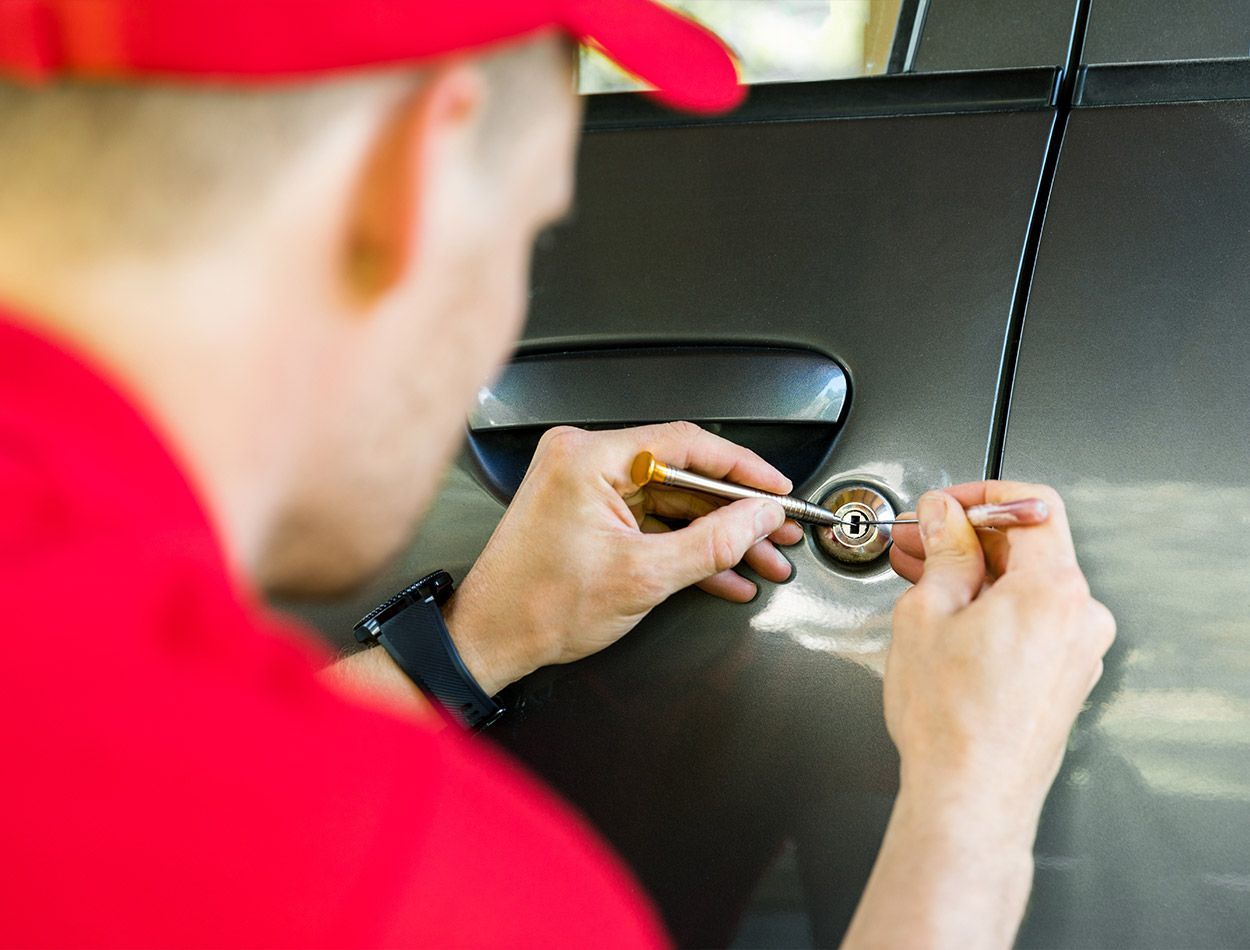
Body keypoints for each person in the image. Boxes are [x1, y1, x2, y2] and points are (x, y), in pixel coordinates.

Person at [0, 2, 1114, 947]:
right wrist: (969, 804)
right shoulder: (421, 883)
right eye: (526, 240)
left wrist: (476, 637)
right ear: (415, 178)